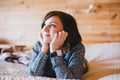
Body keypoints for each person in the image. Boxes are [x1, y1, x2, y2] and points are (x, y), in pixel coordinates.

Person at [26, 11, 88, 79]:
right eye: (44, 25)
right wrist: (44, 50)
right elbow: (30, 76)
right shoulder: (39, 45)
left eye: (53, 25)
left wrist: (55, 51)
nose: (45, 29)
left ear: (66, 31)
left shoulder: (77, 48)